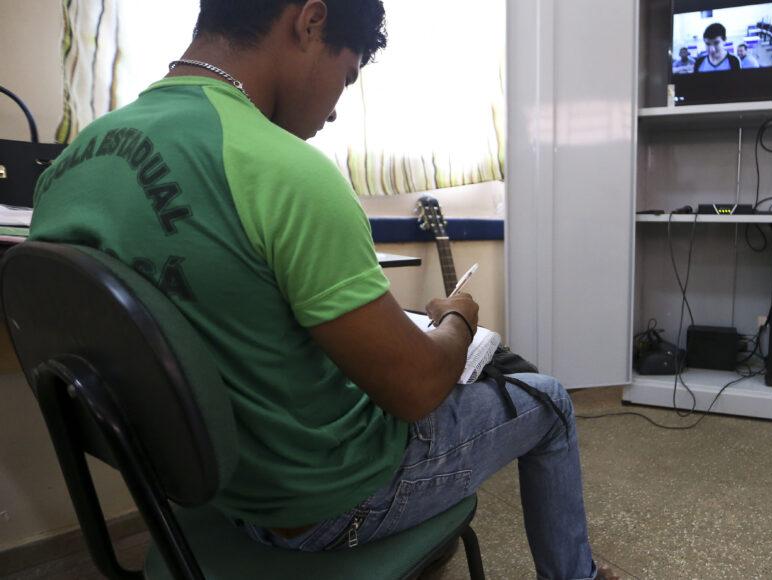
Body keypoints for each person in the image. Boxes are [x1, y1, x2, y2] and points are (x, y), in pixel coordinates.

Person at [28, 1, 614, 578]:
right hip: (324, 508)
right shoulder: (285, 171)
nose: (335, 111)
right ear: (311, 22)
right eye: (346, 75)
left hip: (200, 491)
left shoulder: (67, 168)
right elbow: (417, 389)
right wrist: (458, 317)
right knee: (552, 401)